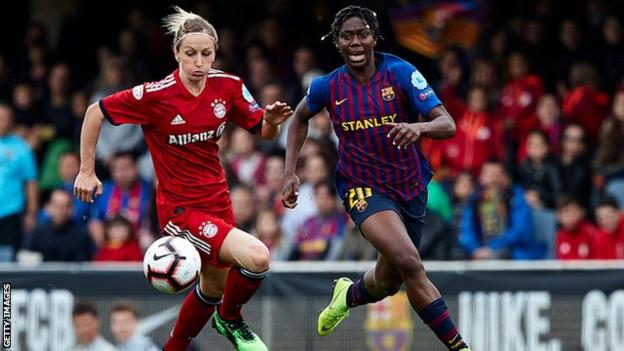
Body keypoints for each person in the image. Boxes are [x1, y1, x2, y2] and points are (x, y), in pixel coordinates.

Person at [74, 7, 292, 351]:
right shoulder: (155, 95)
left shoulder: (229, 86)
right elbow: (94, 112)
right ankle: (230, 319)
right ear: (176, 53)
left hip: (219, 202)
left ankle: (173, 347)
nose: (199, 62)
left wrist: (273, 121)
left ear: (215, 54)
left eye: (206, 54)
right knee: (258, 257)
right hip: (181, 211)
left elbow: (262, 131)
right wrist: (87, 171)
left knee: (214, 287)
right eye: (190, 54)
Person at [282, 6, 471, 351]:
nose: (355, 42)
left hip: (410, 187)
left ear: (374, 37)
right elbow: (299, 117)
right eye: (347, 36)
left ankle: (348, 295)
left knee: (387, 281)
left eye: (362, 34)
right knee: (412, 263)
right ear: (337, 43)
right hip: (362, 188)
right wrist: (290, 172)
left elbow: (448, 123)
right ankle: (459, 346)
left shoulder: (400, 73)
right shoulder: (327, 85)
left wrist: (419, 126)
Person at [459, 161, 540, 260]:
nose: (492, 179)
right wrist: (475, 249)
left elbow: (520, 231)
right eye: (489, 175)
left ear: (504, 177)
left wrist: (491, 248)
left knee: (497, 256)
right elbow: (467, 229)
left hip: (511, 249)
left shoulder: (516, 197)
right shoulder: (474, 199)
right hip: (480, 250)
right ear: (481, 178)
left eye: (497, 175)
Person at [0, 103, 38, 261]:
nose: (2, 122)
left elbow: (31, 182)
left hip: (11, 212)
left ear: (11, 121)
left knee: (5, 263)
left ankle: (5, 287)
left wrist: (31, 213)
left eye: (5, 118)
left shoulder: (22, 148)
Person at [28, 189, 94, 262]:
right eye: (56, 205)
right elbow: (26, 256)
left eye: (63, 206)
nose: (59, 210)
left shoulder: (81, 235)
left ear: (70, 209)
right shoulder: (38, 232)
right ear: (48, 207)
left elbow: (84, 266)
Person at [555, 195, 597, 260]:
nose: (569, 217)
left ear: (581, 213)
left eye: (573, 213)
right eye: (565, 213)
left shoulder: (590, 232)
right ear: (558, 216)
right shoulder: (560, 235)